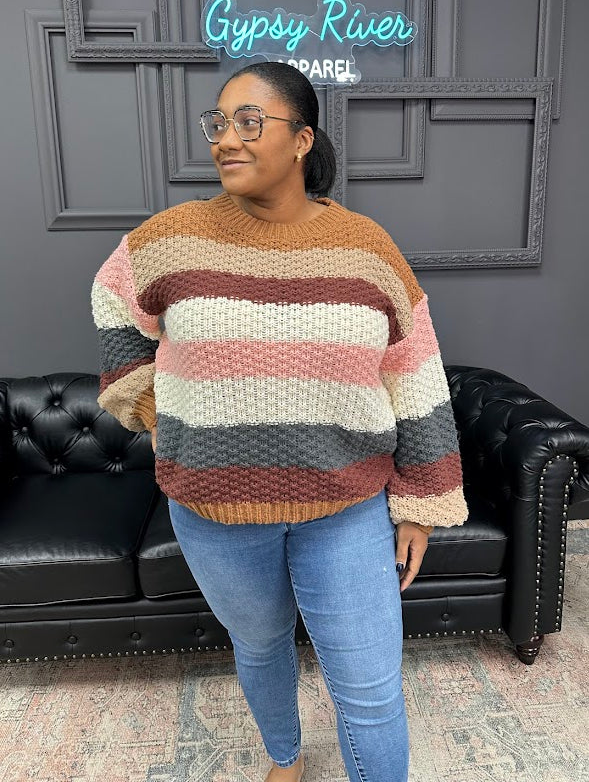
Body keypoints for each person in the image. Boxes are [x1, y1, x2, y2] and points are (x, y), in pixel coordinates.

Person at [91, 60, 469, 782]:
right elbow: (112, 301)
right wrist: (142, 398)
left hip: (348, 509)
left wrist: (420, 502)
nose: (225, 139)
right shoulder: (170, 239)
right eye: (218, 123)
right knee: (261, 646)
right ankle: (284, 757)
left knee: (369, 691)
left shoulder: (367, 249)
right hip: (215, 511)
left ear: (301, 139)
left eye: (248, 121)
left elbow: (413, 372)